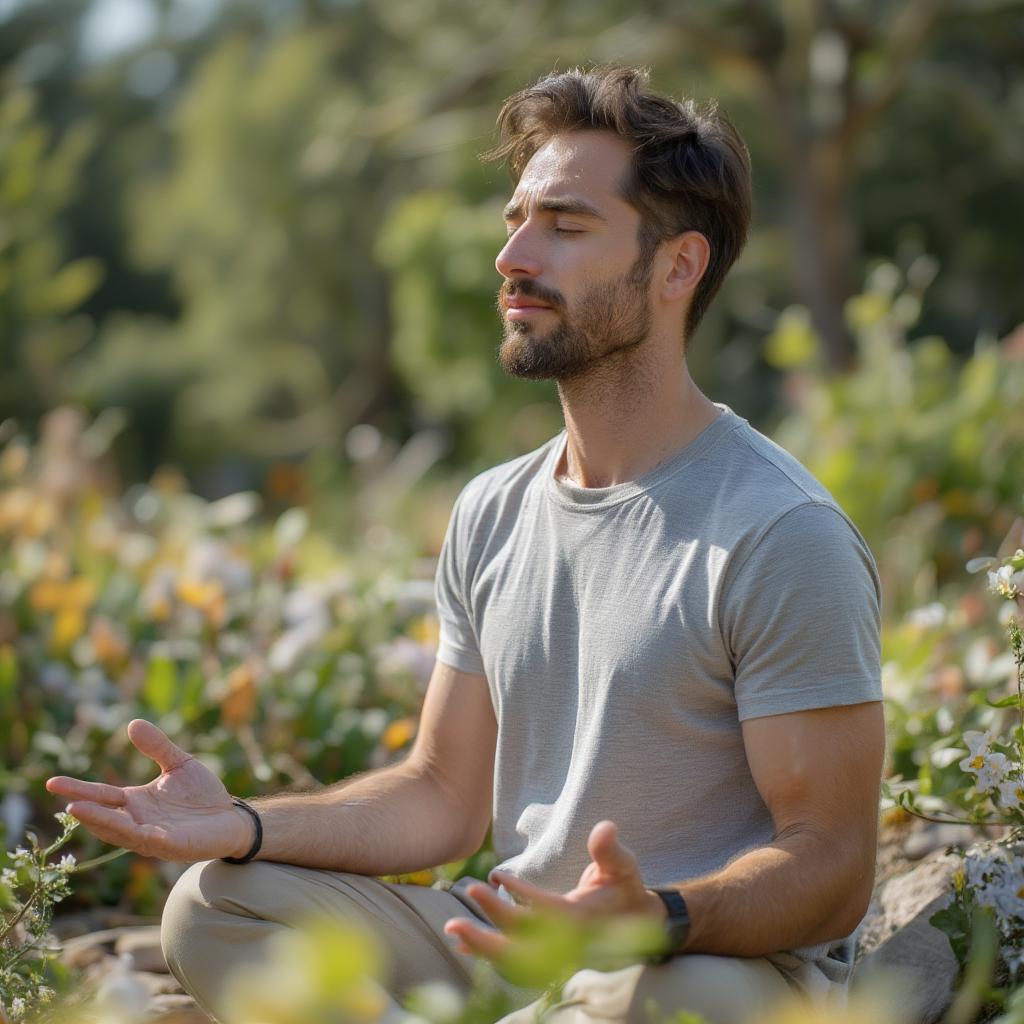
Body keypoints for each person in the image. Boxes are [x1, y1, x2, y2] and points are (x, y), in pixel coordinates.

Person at [46, 66, 885, 1024]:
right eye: (516, 219)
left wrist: (657, 916)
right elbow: (441, 795)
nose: (513, 254)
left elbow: (832, 864)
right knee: (220, 904)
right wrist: (240, 824)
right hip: (509, 948)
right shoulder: (493, 510)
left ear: (677, 268)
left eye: (565, 226)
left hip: (695, 965)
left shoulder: (779, 532)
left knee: (646, 999)